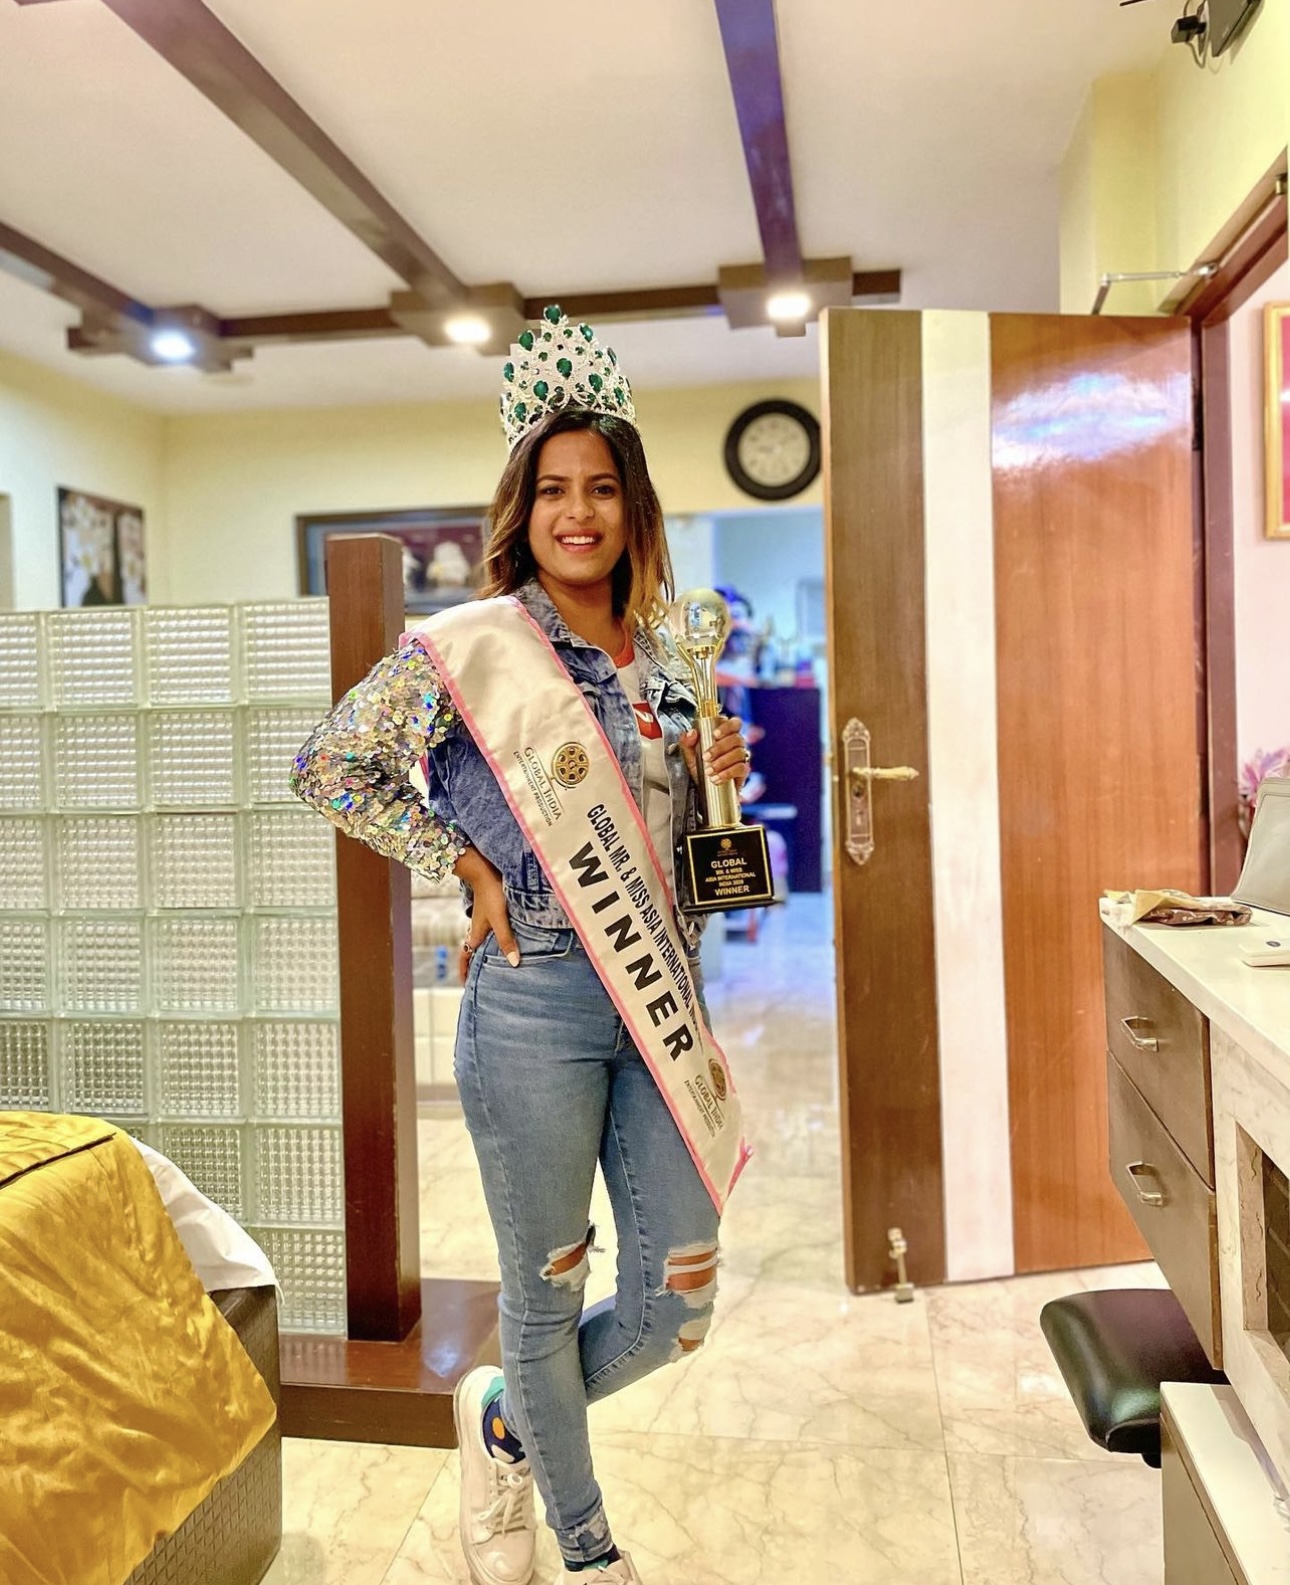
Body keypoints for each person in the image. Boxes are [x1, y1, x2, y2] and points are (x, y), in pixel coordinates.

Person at [292, 307, 752, 1585]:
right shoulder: (469, 647)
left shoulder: (674, 656)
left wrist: (715, 771)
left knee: (678, 1303)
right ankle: (588, 1549)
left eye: (601, 487)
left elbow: (683, 850)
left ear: (633, 505)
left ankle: (503, 1418)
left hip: (659, 1000)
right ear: (524, 505)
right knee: (545, 1290)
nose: (578, 512)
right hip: (536, 997)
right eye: (553, 489)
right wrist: (462, 857)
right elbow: (330, 765)